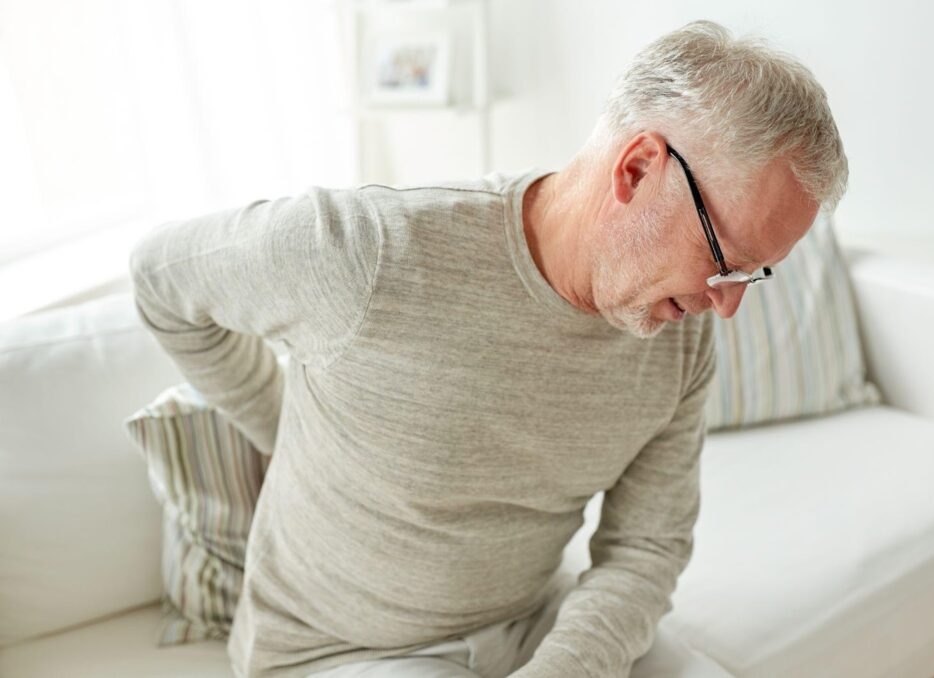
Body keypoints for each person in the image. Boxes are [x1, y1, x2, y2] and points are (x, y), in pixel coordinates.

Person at [129, 19, 845, 678]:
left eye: (752, 274)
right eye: (724, 260)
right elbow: (160, 276)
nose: (727, 305)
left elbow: (645, 548)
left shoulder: (679, 337)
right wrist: (279, 422)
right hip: (341, 651)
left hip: (531, 627)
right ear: (636, 170)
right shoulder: (369, 253)